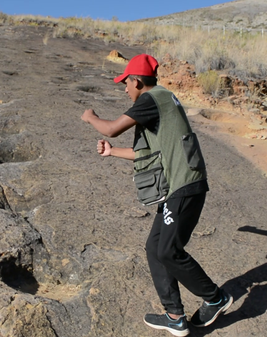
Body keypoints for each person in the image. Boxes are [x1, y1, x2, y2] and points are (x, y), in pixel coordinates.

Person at [81, 54, 232, 336]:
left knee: (168, 250)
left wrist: (90, 117)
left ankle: (215, 297)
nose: (124, 89)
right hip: (177, 187)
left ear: (137, 81)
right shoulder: (160, 103)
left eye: (125, 83)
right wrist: (111, 152)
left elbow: (112, 128)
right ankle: (174, 315)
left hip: (184, 185)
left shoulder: (152, 100)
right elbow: (145, 153)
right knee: (155, 248)